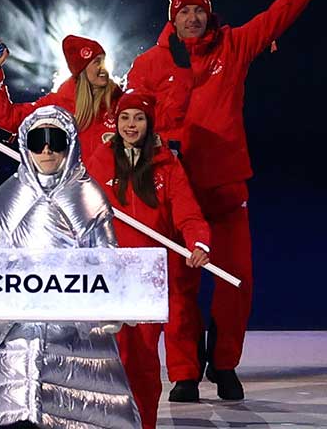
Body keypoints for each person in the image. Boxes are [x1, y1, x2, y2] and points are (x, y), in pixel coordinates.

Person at [126, 0, 326, 401]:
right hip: (175, 192)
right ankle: (183, 371)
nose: (193, 18)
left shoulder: (233, 47)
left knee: (237, 281)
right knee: (180, 285)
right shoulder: (152, 63)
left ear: (209, 15)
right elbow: (129, 119)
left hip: (225, 187)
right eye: (185, 12)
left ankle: (225, 363)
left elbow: (275, 18)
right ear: (172, 20)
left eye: (200, 10)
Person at [0, 105, 141, 429]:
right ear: (25, 144)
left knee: (78, 409)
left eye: (55, 140)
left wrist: (111, 306)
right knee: (9, 401)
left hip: (75, 329)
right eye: (37, 140)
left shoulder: (88, 196)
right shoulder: (9, 196)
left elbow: (107, 258)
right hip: (14, 328)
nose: (46, 149)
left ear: (70, 144)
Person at [85, 91, 211, 426]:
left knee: (141, 360)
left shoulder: (167, 165)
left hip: (149, 278)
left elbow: (189, 214)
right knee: (107, 360)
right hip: (108, 276)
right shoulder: (101, 160)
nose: (131, 125)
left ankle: (144, 423)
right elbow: (80, 211)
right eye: (125, 117)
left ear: (149, 122)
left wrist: (199, 243)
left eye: (138, 118)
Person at [0, 35, 121, 160]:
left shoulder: (121, 102)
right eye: (97, 62)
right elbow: (9, 118)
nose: (103, 68)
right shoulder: (57, 105)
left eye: (103, 61)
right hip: (77, 186)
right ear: (81, 70)